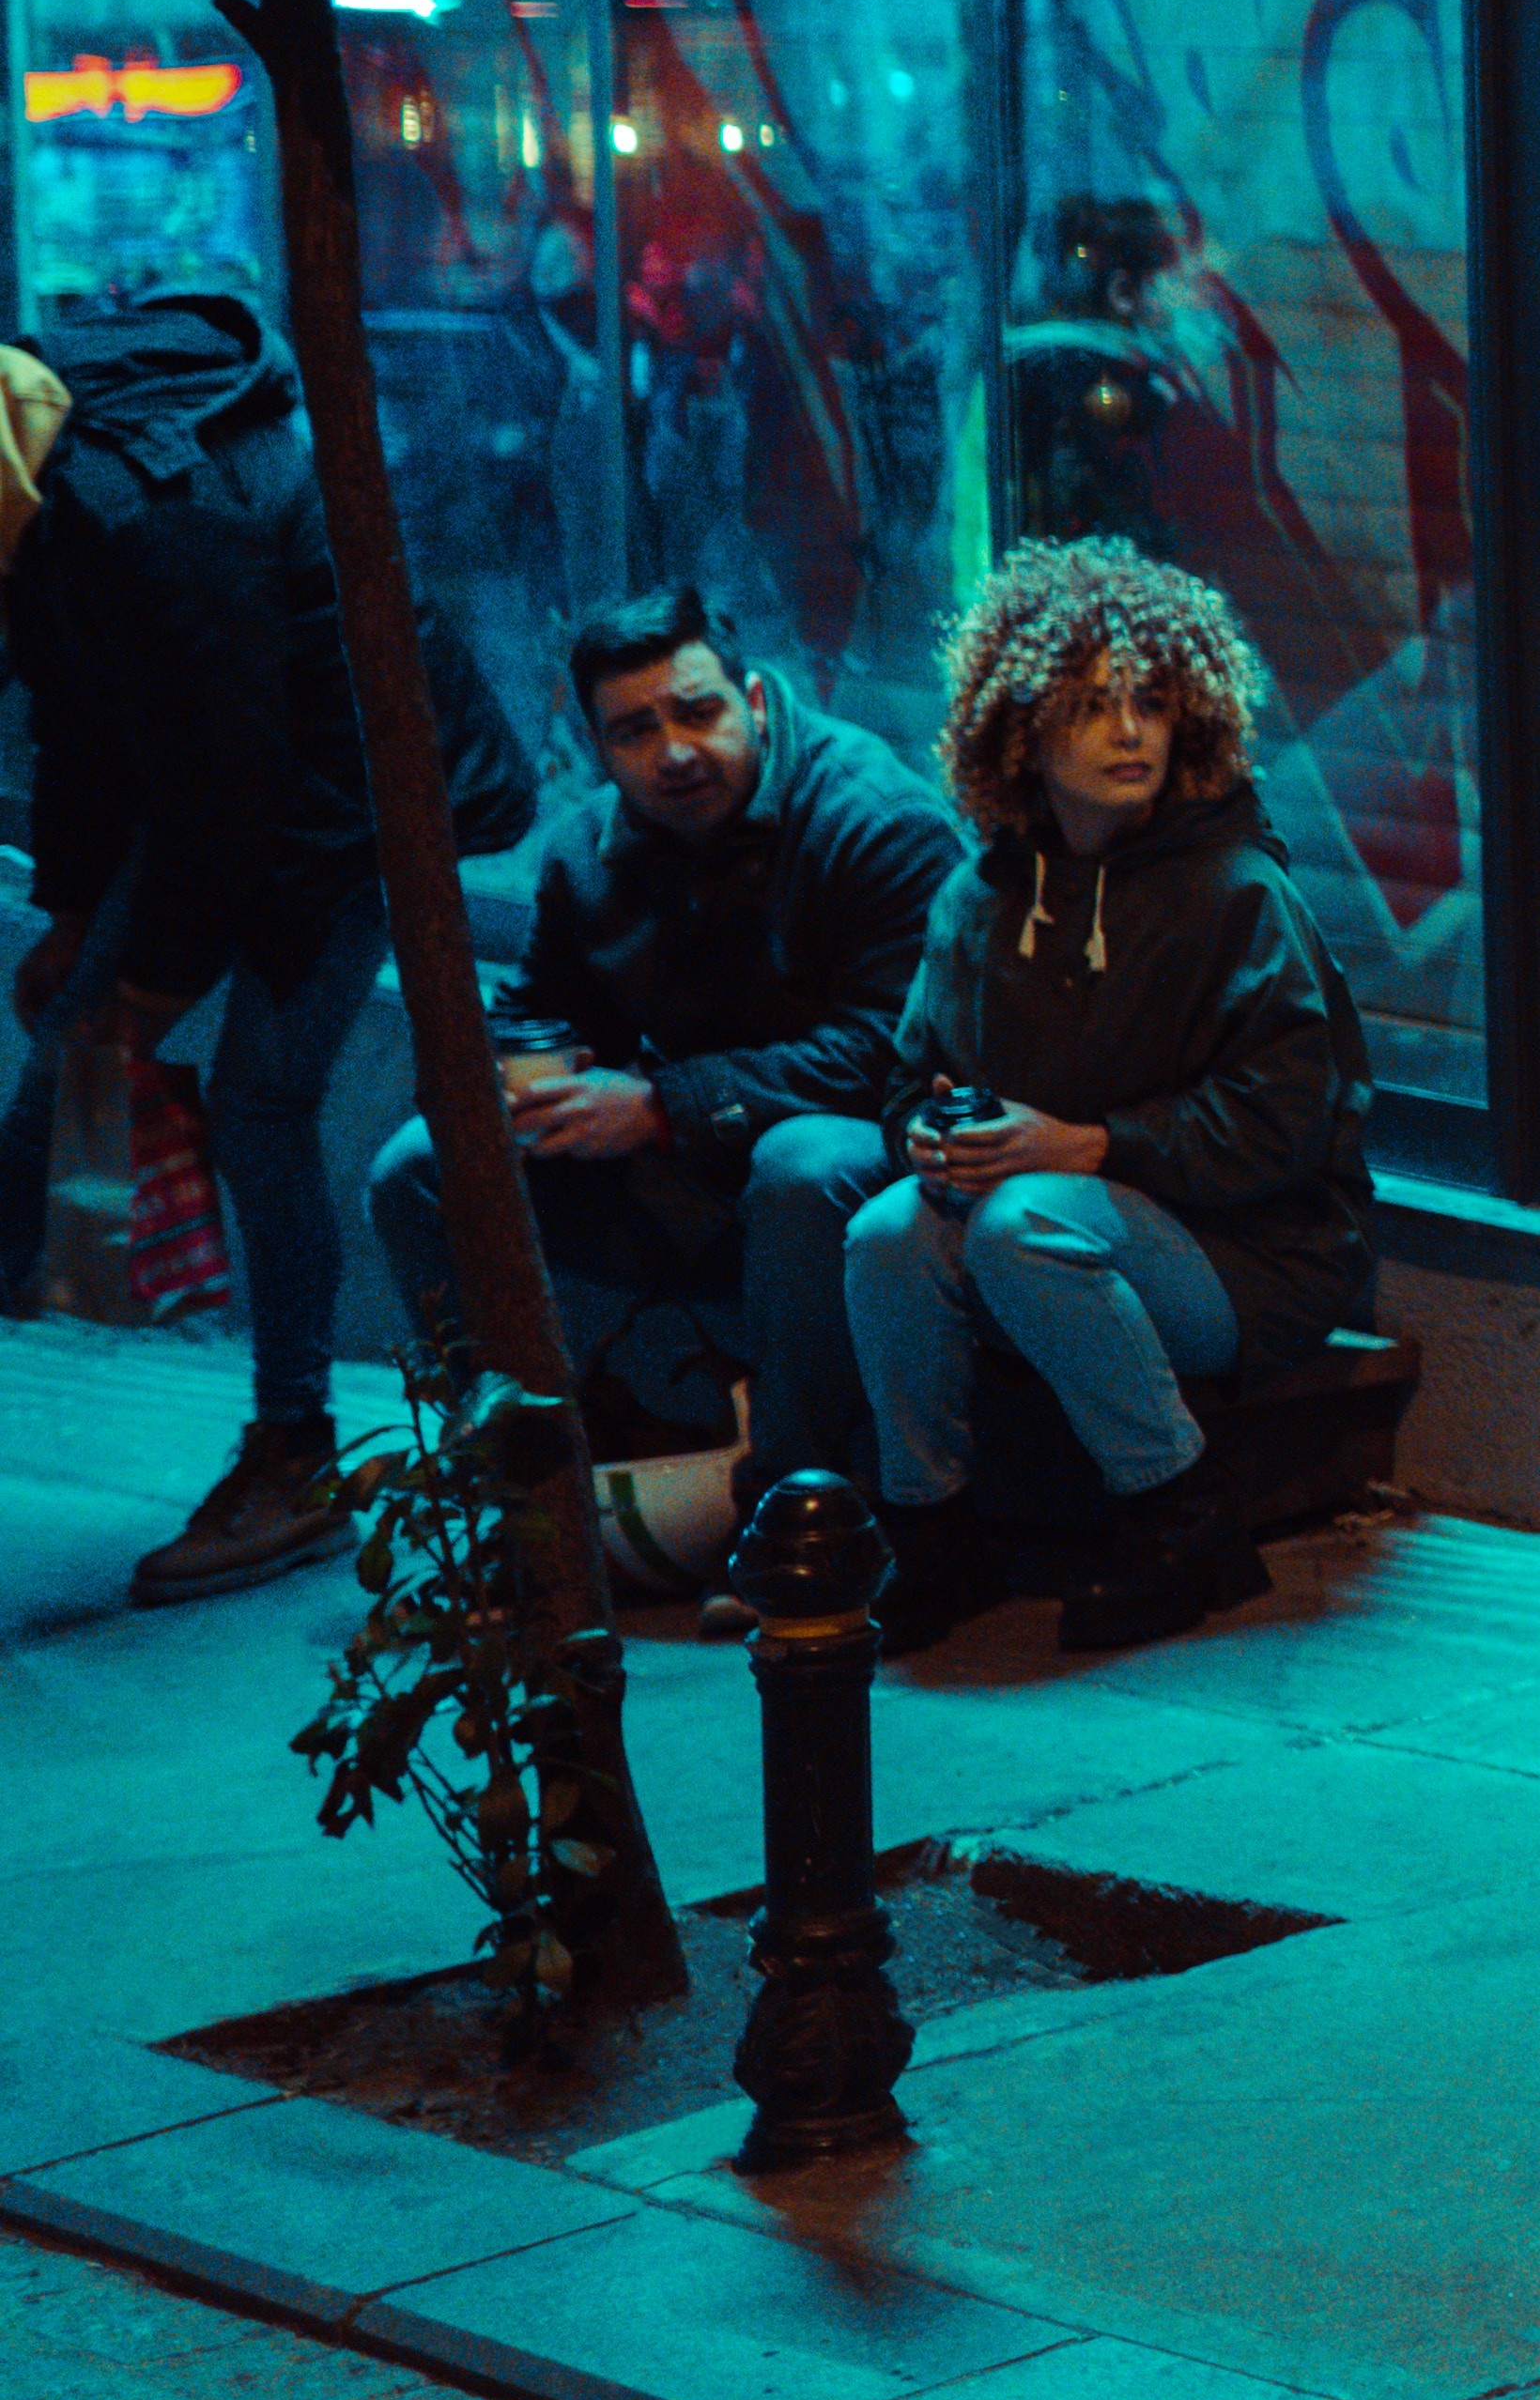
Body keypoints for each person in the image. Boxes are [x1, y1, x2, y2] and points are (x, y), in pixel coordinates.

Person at [0, 286, 534, 1602]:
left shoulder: (140, 510)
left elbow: (225, 777)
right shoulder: (37, 463)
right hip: (237, 773)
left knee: (260, 1100)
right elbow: (79, 710)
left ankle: (296, 1447)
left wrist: (146, 983)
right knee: (62, 1076)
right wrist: (77, 916)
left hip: (347, 797)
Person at [840, 542, 1375, 1654]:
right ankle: (935, 1539)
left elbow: (1283, 1125)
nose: (1130, 732)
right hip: (1048, 1231)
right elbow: (904, 1079)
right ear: (1021, 732)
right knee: (886, 1230)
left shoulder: (1238, 891)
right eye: (1090, 708)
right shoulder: (978, 896)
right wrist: (930, 1141)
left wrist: (1082, 1144)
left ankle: (1182, 1521)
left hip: (1251, 1251)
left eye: (1150, 703)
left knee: (1023, 1222)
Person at [366, 586, 956, 1485]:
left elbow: (896, 1051)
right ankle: (534, 1484)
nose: (675, 752)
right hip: (692, 1160)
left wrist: (659, 1107)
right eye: (635, 731)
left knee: (800, 1163)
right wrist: (523, 1078)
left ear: (753, 701)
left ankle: (801, 1512)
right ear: (598, 749)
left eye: (698, 711)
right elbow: (540, 1010)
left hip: (876, 1158)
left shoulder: (877, 822)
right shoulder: (586, 853)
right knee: (420, 1167)